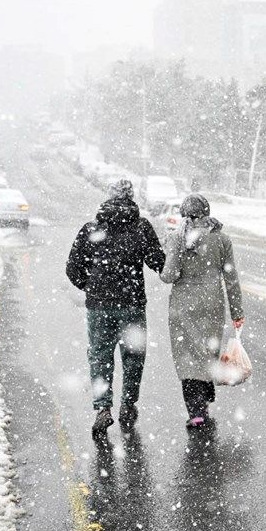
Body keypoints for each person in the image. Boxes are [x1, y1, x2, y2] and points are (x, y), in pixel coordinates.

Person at [66, 179, 165, 434]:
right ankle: (128, 404)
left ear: (109, 198)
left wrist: (90, 286)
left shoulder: (92, 228)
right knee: (133, 357)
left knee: (100, 357)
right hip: (132, 303)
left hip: (99, 306)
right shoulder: (141, 228)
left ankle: (103, 408)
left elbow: (72, 267)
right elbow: (158, 261)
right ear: (132, 198)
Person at [159, 194, 244, 428]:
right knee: (207, 350)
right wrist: (237, 311)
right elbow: (231, 277)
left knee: (188, 355)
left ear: (184, 213)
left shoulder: (178, 238)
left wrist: (162, 268)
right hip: (212, 302)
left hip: (184, 304)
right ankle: (205, 397)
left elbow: (170, 275)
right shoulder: (221, 238)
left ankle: (196, 411)